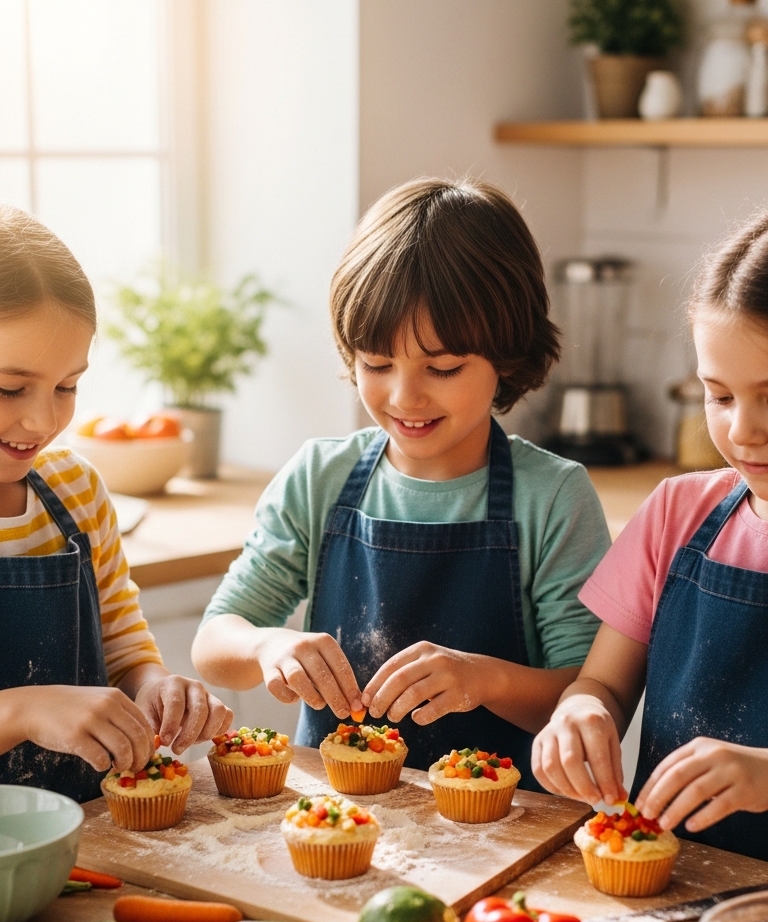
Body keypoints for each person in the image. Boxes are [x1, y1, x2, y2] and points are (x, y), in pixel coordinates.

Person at [192, 178, 610, 784]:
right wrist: (265, 648)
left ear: (509, 355)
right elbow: (213, 643)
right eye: (376, 364)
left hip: (499, 821)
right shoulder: (320, 477)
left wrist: (481, 679)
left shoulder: (551, 496)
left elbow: (586, 694)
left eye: (442, 368)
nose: (404, 396)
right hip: (336, 814)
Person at [533, 211, 768, 859]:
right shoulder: (677, 514)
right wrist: (580, 714)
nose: (745, 430)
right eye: (719, 397)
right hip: (669, 891)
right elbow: (601, 685)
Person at [0, 205, 231, 802]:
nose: (42, 419)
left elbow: (123, 643)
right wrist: (24, 710)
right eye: (9, 387)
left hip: (88, 840)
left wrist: (153, 684)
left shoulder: (75, 492)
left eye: (67, 386)